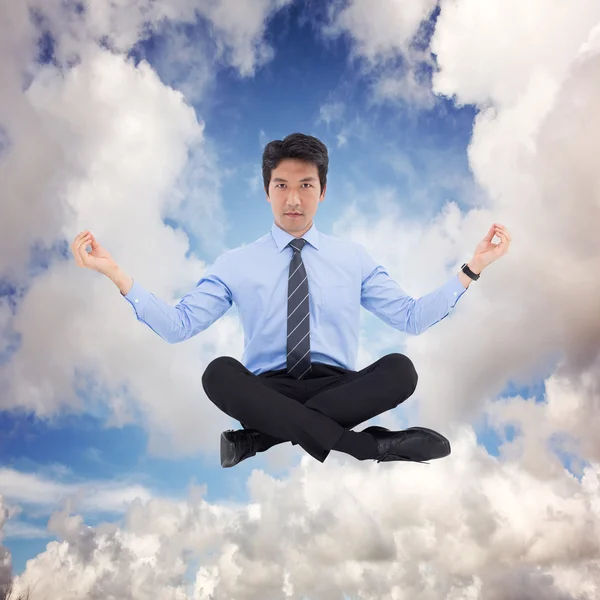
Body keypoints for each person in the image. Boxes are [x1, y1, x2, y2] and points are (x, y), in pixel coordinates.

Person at [71, 133, 511, 468]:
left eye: (305, 185)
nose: (293, 198)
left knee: (401, 369)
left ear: (323, 192)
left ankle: (262, 439)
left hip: (337, 387)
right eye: (281, 185)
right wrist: (115, 273)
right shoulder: (237, 262)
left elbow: (411, 318)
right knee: (218, 373)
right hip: (268, 388)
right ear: (267, 191)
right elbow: (177, 325)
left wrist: (473, 268)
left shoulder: (352, 258)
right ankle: (369, 446)